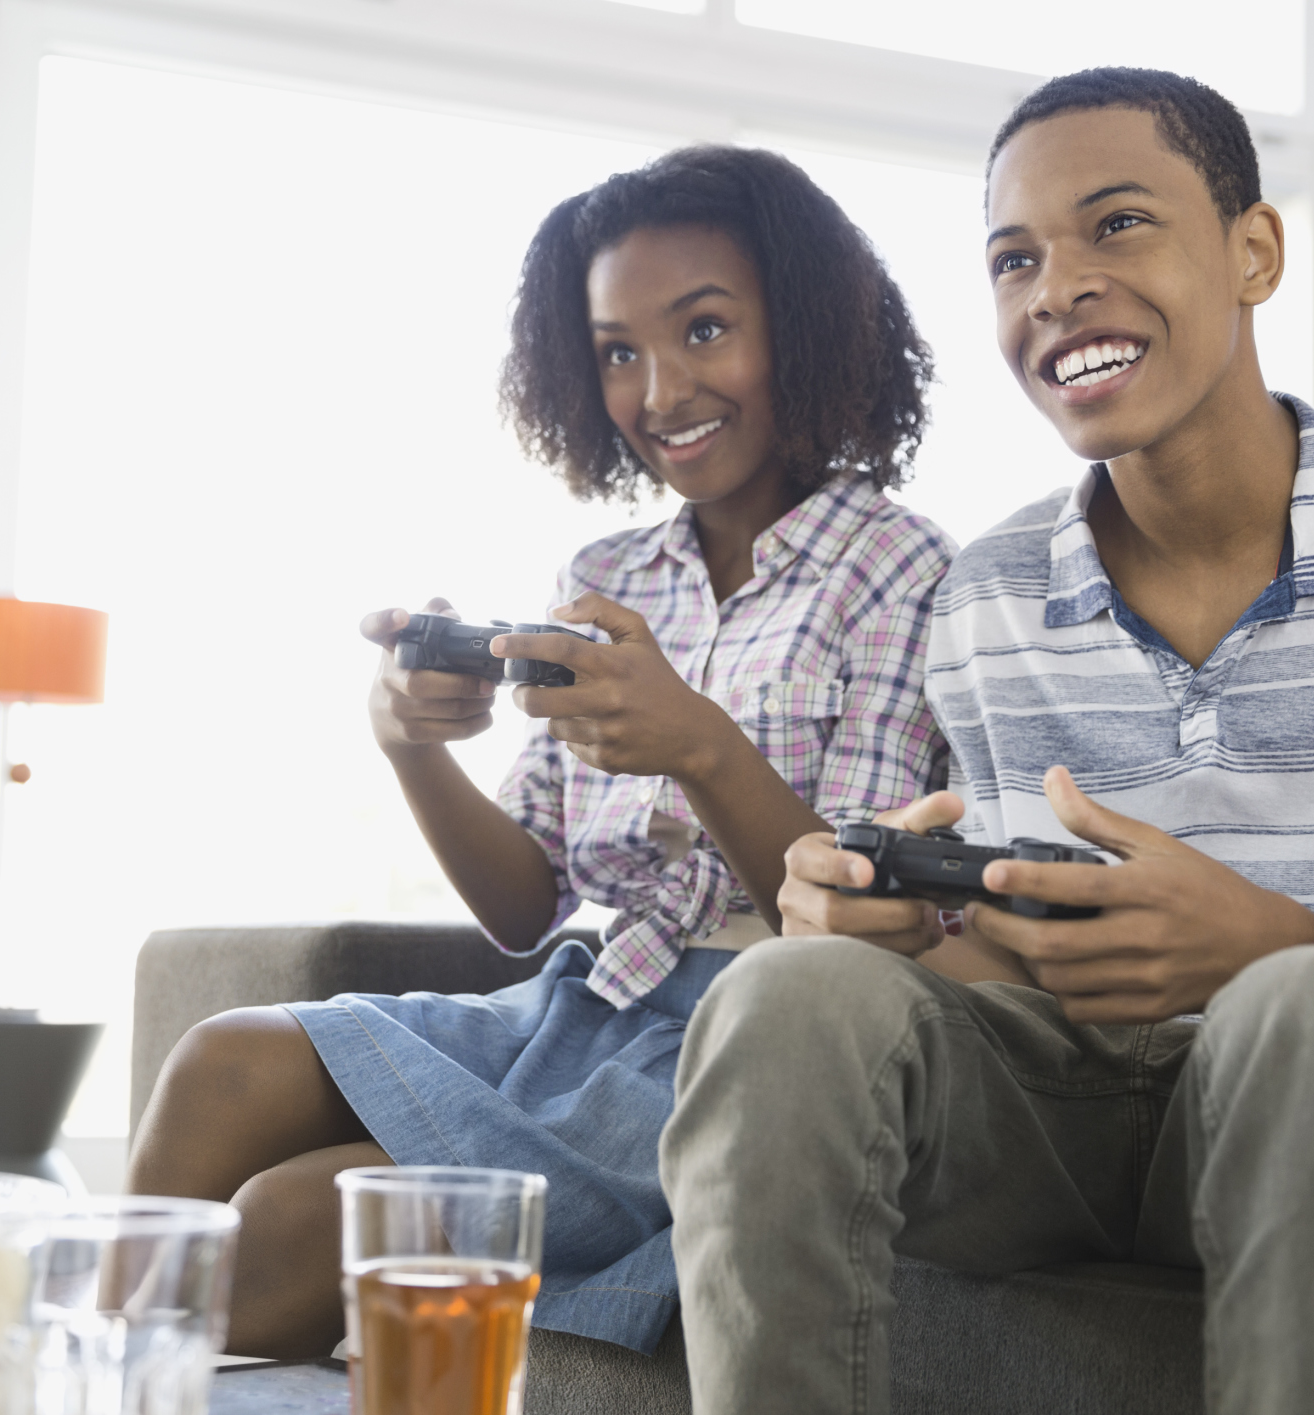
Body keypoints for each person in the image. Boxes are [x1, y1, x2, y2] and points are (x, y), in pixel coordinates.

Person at [659, 68, 1314, 1415]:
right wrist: (884, 914)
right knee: (779, 988)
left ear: (1251, 250)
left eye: (1114, 225)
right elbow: (996, 950)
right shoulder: (983, 592)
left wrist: (1256, 940)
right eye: (1013, 257)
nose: (1053, 286)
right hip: (1048, 1104)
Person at [128, 146, 970, 1359]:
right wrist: (411, 747)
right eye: (618, 350)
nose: (659, 386)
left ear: (808, 331)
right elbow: (528, 904)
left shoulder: (905, 572)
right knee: (221, 1064)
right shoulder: (605, 578)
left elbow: (846, 924)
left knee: (291, 1223)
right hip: (577, 999)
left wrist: (696, 741)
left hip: (742, 1039)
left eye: (705, 329)